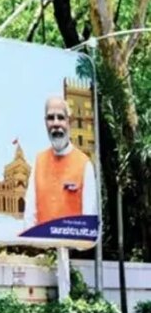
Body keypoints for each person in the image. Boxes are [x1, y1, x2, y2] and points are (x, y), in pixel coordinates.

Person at [24, 96, 97, 227]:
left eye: (61, 117)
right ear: (45, 122)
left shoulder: (85, 164)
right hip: (43, 245)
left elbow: (89, 219)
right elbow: (29, 216)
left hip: (74, 245)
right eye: (51, 118)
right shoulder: (38, 162)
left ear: (69, 122)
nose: (56, 123)